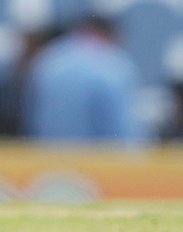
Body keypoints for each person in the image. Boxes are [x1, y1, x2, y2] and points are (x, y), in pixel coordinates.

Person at [23, 14, 142, 144]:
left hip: (47, 159)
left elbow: (31, 120)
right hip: (100, 160)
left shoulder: (49, 59)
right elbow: (125, 133)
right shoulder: (115, 63)